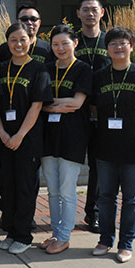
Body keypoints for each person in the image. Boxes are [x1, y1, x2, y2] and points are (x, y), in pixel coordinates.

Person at [91, 27, 135, 263]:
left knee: (132, 198)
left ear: (131, 46)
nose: (118, 48)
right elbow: (94, 107)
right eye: (113, 44)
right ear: (107, 48)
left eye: (123, 43)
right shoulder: (100, 76)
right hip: (106, 147)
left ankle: (126, 244)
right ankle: (105, 240)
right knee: (106, 197)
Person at [0, 23, 53, 255]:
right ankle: (11, 231)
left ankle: (23, 235)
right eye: (13, 40)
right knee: (7, 186)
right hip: (5, 138)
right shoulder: (0, 68)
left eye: (22, 40)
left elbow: (37, 105)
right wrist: (3, 132)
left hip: (28, 139)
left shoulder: (39, 69)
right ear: (7, 43)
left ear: (30, 41)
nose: (18, 44)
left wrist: (19, 135)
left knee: (26, 187)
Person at [40, 24, 92, 254]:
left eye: (65, 43)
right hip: (48, 137)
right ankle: (55, 233)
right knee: (52, 190)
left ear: (75, 43)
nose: (60, 48)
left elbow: (77, 104)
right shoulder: (46, 68)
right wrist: (62, 104)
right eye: (56, 44)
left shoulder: (83, 69)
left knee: (67, 189)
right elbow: (40, 102)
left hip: (72, 137)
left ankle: (64, 236)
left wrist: (51, 105)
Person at [75, 0, 111, 234]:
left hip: (103, 113)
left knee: (98, 167)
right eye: (85, 10)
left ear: (102, 13)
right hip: (75, 113)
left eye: (94, 10)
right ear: (78, 13)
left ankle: (94, 213)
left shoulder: (111, 40)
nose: (89, 14)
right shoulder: (71, 40)